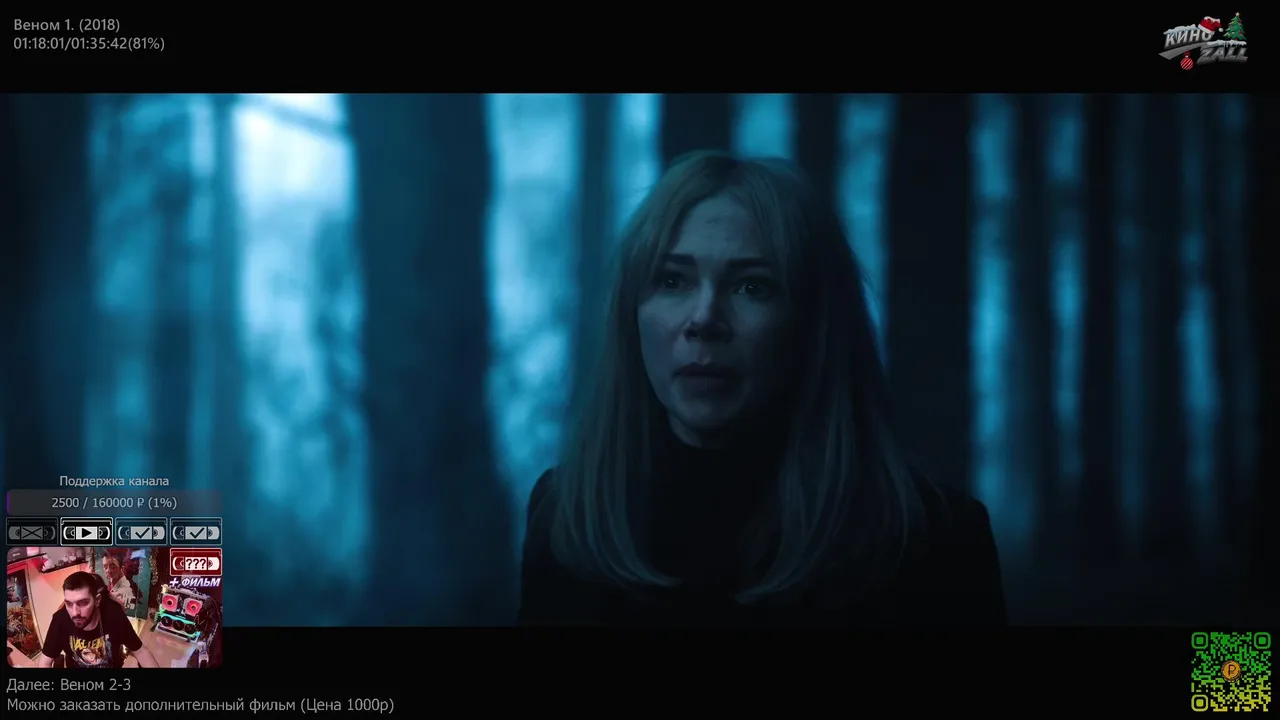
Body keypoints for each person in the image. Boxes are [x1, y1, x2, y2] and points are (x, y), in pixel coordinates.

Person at [518, 151, 1006, 627]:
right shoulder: (569, 520)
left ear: (813, 323)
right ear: (632, 315)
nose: (704, 319)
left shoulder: (932, 542)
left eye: (752, 287)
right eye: (672, 280)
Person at [37, 571, 159, 668]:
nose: (75, 613)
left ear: (97, 600)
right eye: (69, 604)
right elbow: (45, 662)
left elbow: (140, 651)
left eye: (83, 603)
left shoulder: (113, 615)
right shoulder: (60, 620)